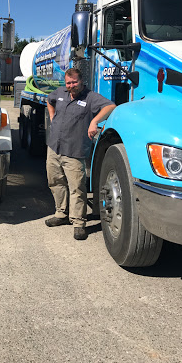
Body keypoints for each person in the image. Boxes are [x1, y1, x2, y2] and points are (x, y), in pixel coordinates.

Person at [45, 68, 116, 240]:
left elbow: (111, 106)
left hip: (74, 151)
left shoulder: (90, 97)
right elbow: (49, 100)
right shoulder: (60, 93)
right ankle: (61, 214)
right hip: (54, 147)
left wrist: (94, 121)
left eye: (74, 82)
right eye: (68, 83)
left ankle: (78, 223)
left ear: (81, 81)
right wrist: (52, 117)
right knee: (55, 181)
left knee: (77, 187)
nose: (71, 86)